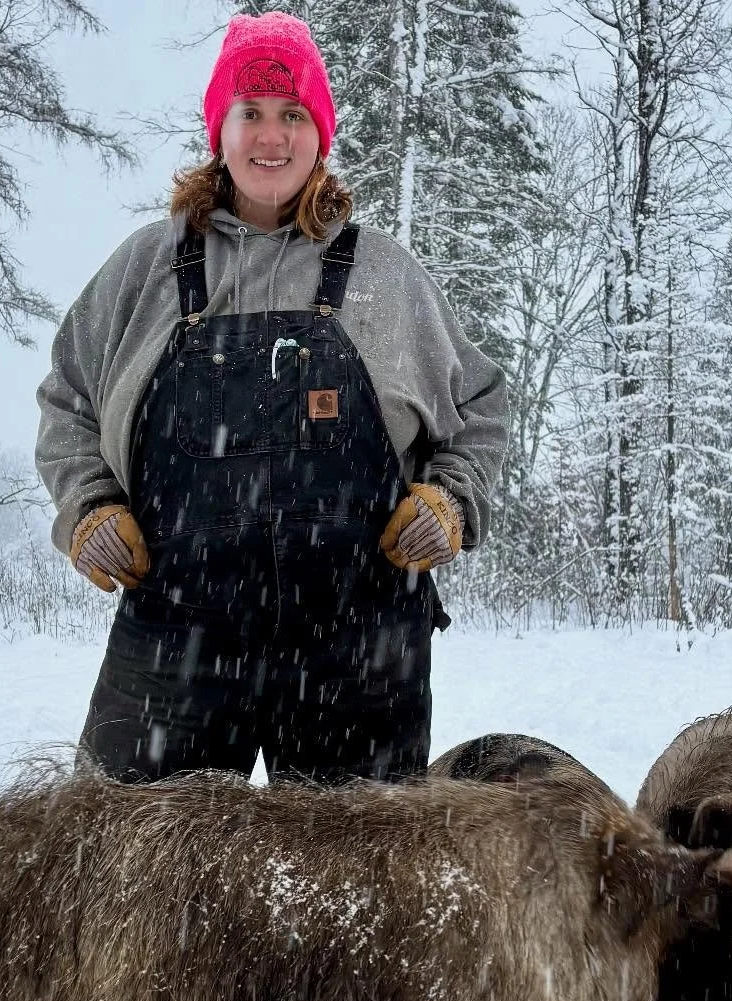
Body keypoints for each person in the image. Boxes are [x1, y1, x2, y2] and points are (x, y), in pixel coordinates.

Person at [34, 10, 507, 784]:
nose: (271, 137)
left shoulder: (386, 277)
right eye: (249, 112)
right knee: (134, 870)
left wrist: (449, 500)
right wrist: (89, 506)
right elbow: (69, 401)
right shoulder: (147, 268)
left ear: (319, 131)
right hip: (175, 638)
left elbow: (481, 408)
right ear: (219, 127)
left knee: (353, 888)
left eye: (292, 114)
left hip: (355, 648)